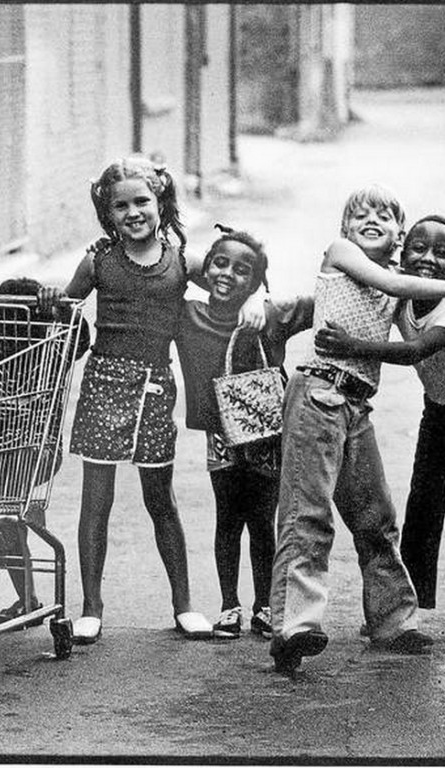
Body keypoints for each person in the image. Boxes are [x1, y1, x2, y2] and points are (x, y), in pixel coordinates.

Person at [39, 156, 265, 645]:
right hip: (103, 386)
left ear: (161, 202)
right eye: (120, 206)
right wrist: (50, 301)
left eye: (142, 201)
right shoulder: (97, 261)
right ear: (108, 213)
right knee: (96, 500)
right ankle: (91, 607)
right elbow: (66, 306)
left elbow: (233, 279)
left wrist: (252, 300)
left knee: (161, 499)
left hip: (157, 391)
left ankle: (183, 604)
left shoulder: (184, 262)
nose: (133, 212)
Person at [269, 185, 445, 674]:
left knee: (376, 517)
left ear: (397, 237)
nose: (370, 220)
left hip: (355, 405)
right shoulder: (342, 254)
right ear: (344, 229)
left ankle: (393, 621)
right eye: (359, 215)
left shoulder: (394, 281)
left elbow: (416, 301)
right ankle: (294, 628)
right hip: (318, 395)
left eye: (385, 217)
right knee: (308, 516)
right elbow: (395, 288)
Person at [315, 214, 445, 647]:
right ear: (402, 252)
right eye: (419, 249)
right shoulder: (401, 297)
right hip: (440, 410)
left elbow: (414, 351)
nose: (428, 259)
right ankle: (403, 608)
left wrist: (352, 347)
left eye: (442, 254)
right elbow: (361, 298)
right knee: (423, 505)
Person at [175, 225, 314, 640]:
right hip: (220, 436)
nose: (227, 275)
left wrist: (261, 299)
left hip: (267, 438)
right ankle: (229, 605)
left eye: (242, 271)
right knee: (227, 519)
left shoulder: (268, 317)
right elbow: (174, 265)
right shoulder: (188, 316)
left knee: (261, 520)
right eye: (220, 264)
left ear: (256, 280)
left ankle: (265, 605)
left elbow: (319, 302)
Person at [0, 277, 90, 627]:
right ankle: (26, 596)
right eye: (1, 317)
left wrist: (63, 304)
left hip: (34, 448)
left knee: (2, 513)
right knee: (8, 516)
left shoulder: (51, 349)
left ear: (38, 320)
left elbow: (81, 340)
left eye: (19, 318)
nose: (8, 326)